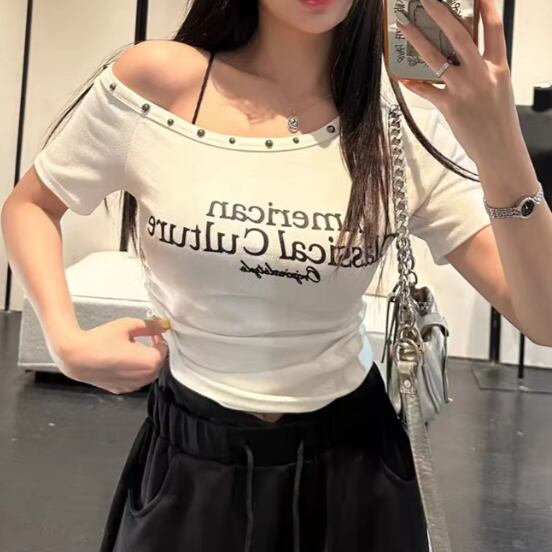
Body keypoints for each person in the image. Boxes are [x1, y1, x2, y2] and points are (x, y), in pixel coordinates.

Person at [3, 0, 499, 550]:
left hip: (354, 472)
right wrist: (65, 341)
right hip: (192, 467)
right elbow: (32, 205)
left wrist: (497, 136)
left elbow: (540, 316)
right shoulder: (159, 83)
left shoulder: (398, 119)